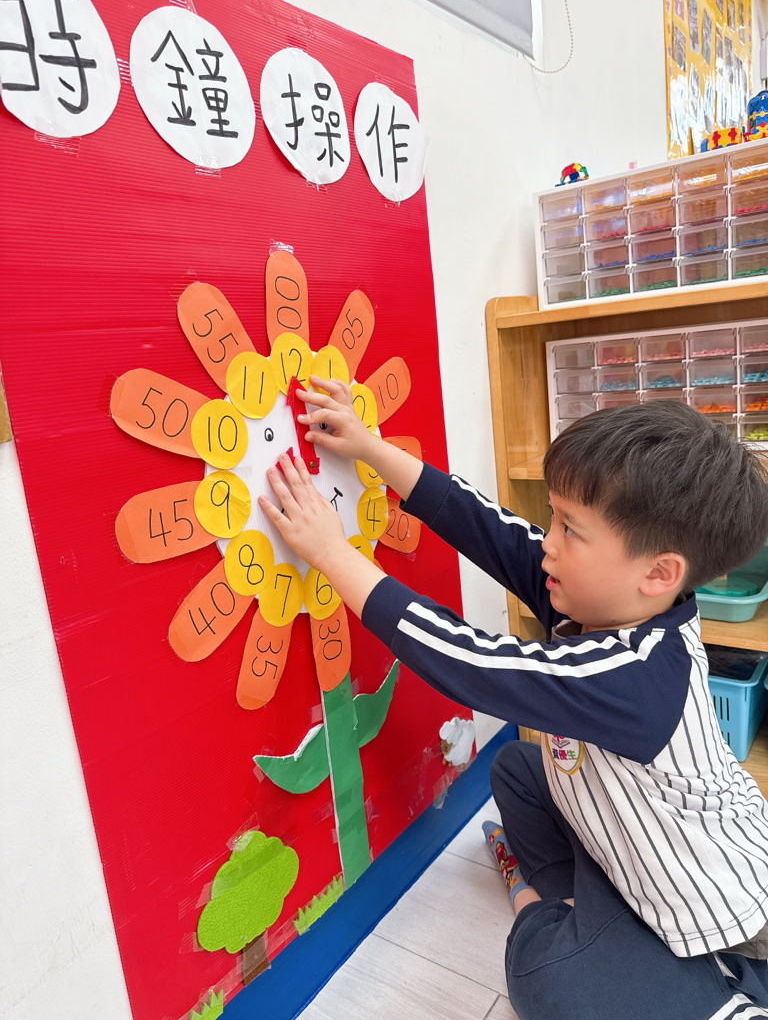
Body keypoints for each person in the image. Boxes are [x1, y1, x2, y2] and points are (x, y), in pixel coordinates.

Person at [260, 378, 768, 1020]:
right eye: (554, 517)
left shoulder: (637, 674)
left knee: (543, 978)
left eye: (570, 529)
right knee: (516, 769)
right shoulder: (604, 594)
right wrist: (370, 448)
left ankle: (719, 991)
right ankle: (583, 909)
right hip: (635, 843)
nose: (547, 541)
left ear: (658, 573)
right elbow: (486, 526)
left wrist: (332, 553)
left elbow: (469, 662)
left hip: (716, 910)